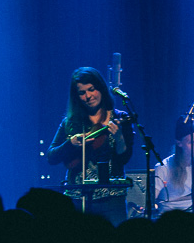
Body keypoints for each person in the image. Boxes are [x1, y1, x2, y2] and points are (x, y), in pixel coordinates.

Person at [46, 67, 134, 225]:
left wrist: (119, 137)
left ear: (100, 87)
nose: (88, 96)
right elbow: (51, 156)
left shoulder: (120, 118)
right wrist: (70, 143)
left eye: (91, 89)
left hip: (112, 197)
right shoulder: (70, 123)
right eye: (82, 92)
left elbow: (125, 158)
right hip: (78, 196)